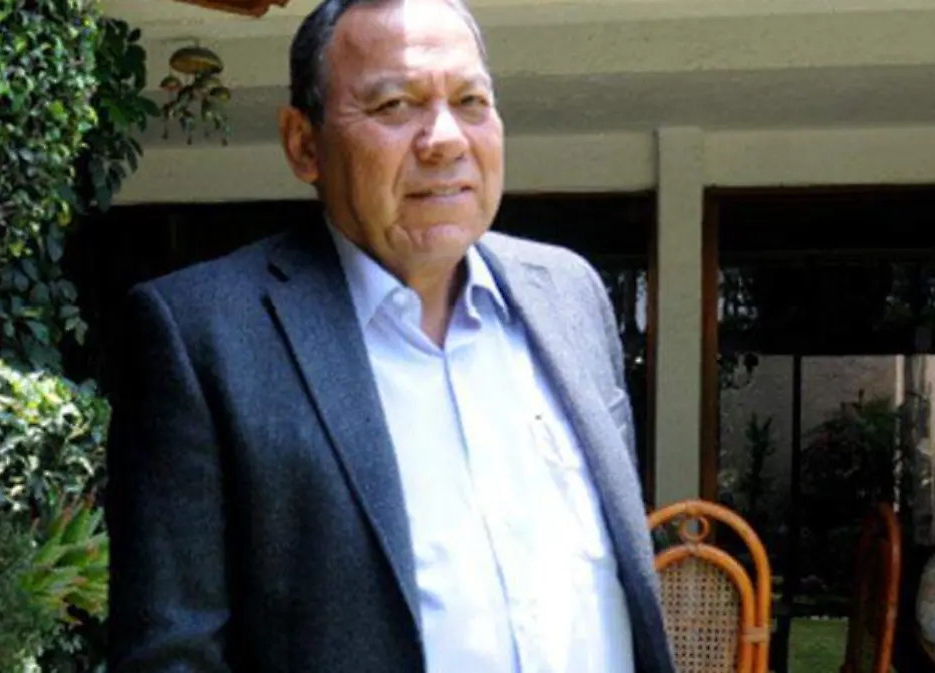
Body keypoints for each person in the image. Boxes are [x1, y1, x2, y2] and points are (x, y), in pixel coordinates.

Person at [104, 0, 674, 671]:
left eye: (470, 101)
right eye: (396, 105)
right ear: (304, 144)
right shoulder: (205, 336)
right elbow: (173, 654)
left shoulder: (570, 296)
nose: (445, 140)